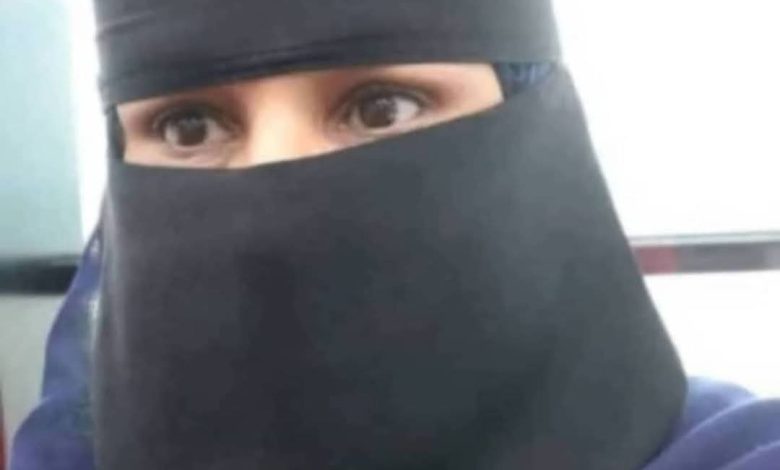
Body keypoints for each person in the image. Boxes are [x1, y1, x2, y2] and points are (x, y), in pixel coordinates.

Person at [11, 0, 780, 469]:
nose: (276, 183)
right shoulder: (80, 444)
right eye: (189, 126)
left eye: (382, 108)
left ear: (537, 120)